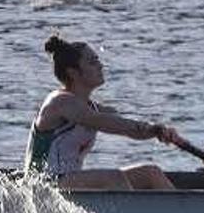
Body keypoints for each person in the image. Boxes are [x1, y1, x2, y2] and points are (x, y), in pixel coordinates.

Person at [24, 35, 184, 190]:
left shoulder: (94, 108)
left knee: (150, 173)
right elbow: (114, 125)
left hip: (68, 182)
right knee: (113, 178)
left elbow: (131, 130)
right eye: (93, 62)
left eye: (98, 60)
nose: (100, 66)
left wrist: (159, 132)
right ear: (73, 72)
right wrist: (153, 129)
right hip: (43, 185)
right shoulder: (60, 102)